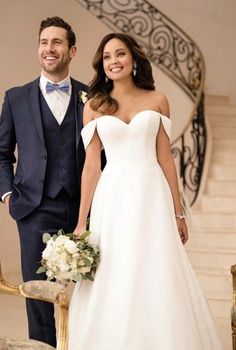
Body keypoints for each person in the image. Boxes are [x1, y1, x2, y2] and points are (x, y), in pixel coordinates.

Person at [68, 32, 223, 350]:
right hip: (113, 198)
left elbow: (166, 159)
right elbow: (92, 167)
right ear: (102, 64)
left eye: (120, 54)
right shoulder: (95, 105)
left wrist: (178, 211)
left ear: (134, 59)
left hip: (151, 195)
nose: (114, 61)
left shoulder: (158, 100)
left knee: (155, 266)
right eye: (107, 57)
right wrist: (82, 222)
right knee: (114, 269)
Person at [0, 17, 88, 347]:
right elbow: (1, 153)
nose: (49, 49)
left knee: (87, 292)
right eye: (44, 42)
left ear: (72, 50)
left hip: (83, 210)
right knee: (37, 296)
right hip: (33, 208)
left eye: (57, 42)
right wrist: (8, 194)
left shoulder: (90, 96)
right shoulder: (16, 98)